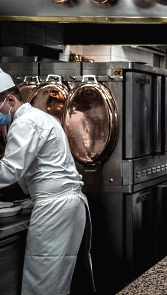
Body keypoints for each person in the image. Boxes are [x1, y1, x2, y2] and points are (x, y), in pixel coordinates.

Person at [0, 68, 92, 295]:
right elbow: (30, 169)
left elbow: (10, 170)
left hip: (55, 206)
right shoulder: (39, 118)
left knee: (42, 285)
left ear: (9, 99)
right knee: (54, 281)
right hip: (64, 203)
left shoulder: (26, 123)